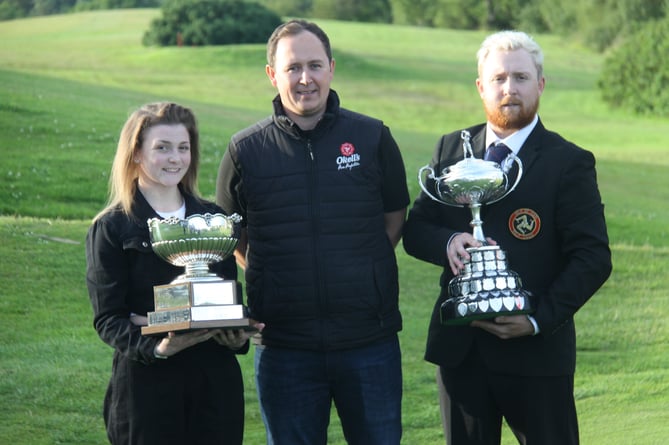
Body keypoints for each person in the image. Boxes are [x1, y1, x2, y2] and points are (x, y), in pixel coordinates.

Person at [403, 30, 612, 445]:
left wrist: (537, 320)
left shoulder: (567, 162)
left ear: (541, 84)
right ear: (481, 87)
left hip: (537, 355)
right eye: (498, 78)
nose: (509, 89)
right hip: (461, 351)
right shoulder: (451, 150)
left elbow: (592, 258)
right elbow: (416, 229)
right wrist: (448, 243)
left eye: (520, 77)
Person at [216, 19, 410, 445]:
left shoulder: (372, 136)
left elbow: (394, 216)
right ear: (272, 74)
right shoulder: (244, 150)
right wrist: (272, 275)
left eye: (315, 65)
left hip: (368, 342)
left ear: (331, 68)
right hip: (285, 348)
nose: (305, 79)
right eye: (292, 68)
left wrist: (364, 263)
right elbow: (233, 238)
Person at [85, 102, 259, 445]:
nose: (175, 158)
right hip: (147, 385)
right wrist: (159, 348)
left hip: (215, 384)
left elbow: (225, 296)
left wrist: (239, 336)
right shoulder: (112, 227)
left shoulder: (214, 221)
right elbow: (108, 319)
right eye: (161, 148)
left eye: (183, 148)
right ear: (136, 153)